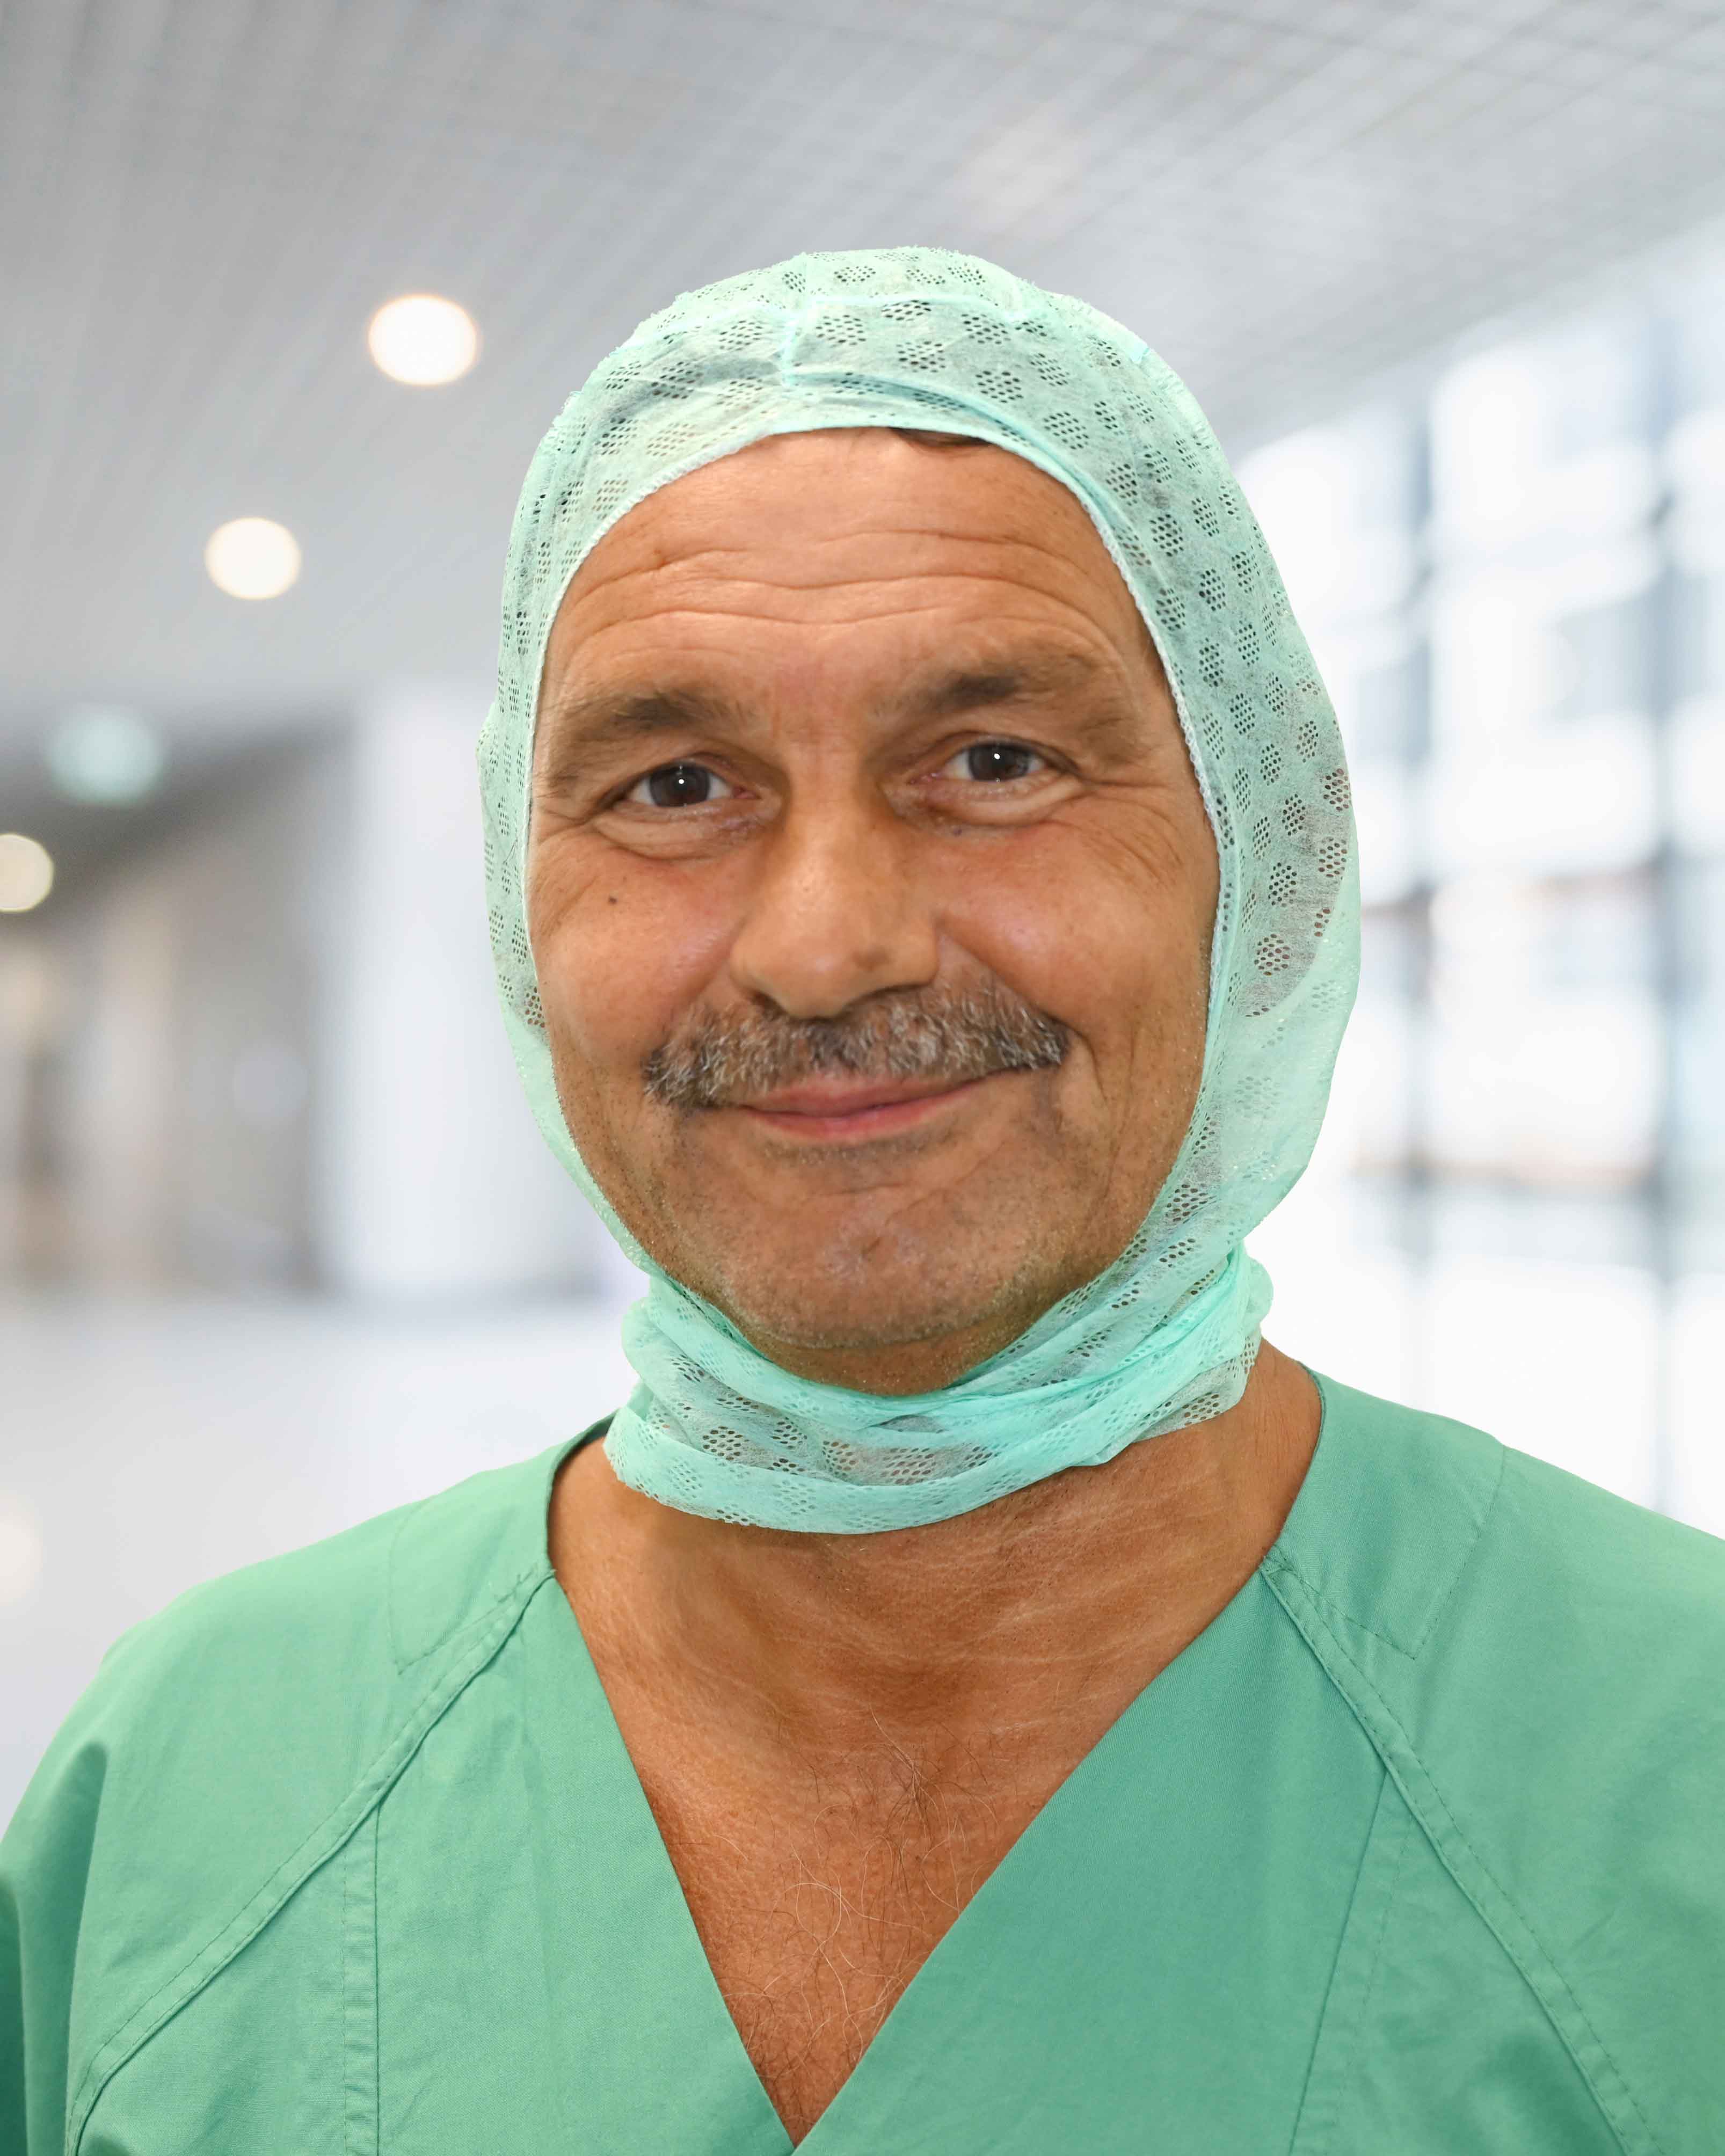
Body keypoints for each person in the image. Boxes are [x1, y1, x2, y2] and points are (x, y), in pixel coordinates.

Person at [3, 247, 1722, 2154]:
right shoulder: (189, 1789)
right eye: (675, 785)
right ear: (518, 908)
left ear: (1268, 860)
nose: (824, 948)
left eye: (996, 761)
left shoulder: (1674, 1777)